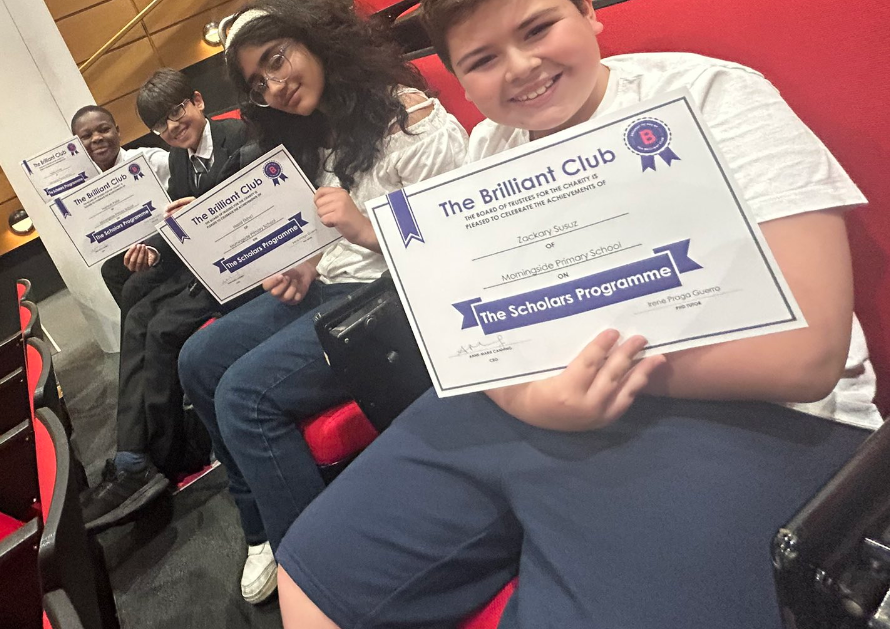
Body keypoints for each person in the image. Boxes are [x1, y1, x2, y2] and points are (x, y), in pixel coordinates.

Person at [272, 0, 883, 627]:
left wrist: (564, 376)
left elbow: (807, 357)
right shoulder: (490, 145)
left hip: (754, 415)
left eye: (538, 28)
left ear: (589, 11)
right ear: (459, 79)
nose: (520, 67)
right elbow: (472, 329)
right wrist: (525, 396)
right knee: (312, 580)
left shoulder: (709, 95)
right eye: (482, 60)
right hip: (529, 395)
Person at [176, 0, 468, 605]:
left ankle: (316, 576)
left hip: (396, 295)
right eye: (258, 83)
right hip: (333, 280)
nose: (275, 86)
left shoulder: (413, 119)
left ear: (316, 41)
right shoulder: (317, 129)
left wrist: (365, 228)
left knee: (244, 396)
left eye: (277, 60)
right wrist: (307, 258)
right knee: (196, 359)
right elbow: (328, 222)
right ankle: (259, 526)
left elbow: (459, 243)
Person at [81, 69, 250, 532]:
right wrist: (157, 246)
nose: (173, 127)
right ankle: (133, 455)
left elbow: (249, 208)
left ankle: (164, 455)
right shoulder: (178, 158)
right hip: (200, 262)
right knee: (137, 313)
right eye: (161, 124)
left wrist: (196, 217)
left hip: (238, 263)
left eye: (177, 112)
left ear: (197, 101)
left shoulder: (238, 135)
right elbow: (180, 220)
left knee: (159, 329)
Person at [71, 106, 170, 310]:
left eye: (104, 129)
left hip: (168, 242)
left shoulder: (151, 160)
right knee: (111, 270)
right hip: (135, 251)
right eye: (86, 136)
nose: (97, 138)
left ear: (117, 131)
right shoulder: (88, 189)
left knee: (131, 289)